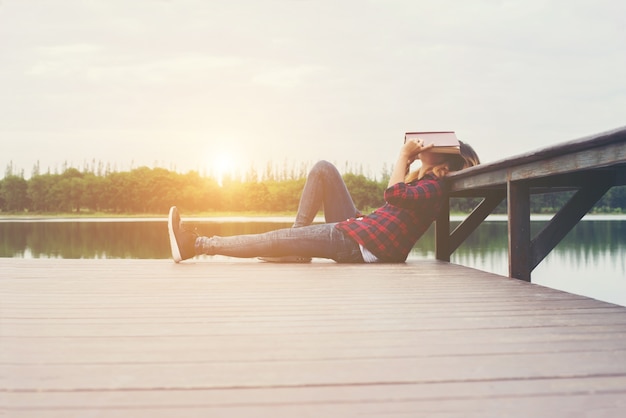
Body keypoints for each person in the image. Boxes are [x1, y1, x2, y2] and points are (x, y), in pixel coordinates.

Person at [168, 138, 480, 263]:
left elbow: (392, 194)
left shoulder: (433, 187)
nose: (424, 142)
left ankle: (195, 245)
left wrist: (403, 156)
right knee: (324, 170)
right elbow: (393, 206)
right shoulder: (424, 184)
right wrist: (409, 165)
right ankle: (296, 247)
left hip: (355, 242)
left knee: (274, 239)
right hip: (360, 230)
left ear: (443, 158)